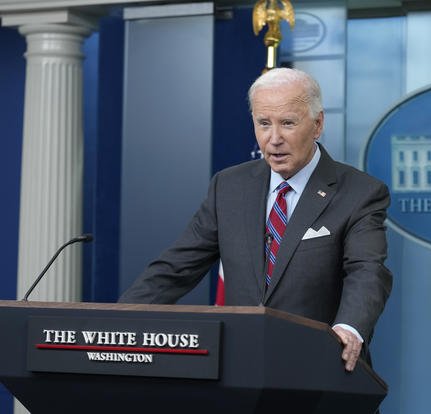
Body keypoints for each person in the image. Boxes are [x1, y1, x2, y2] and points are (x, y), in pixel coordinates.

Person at [119, 67, 392, 372]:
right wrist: (118, 319)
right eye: (264, 124)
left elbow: (367, 272)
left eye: (287, 123)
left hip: (320, 369)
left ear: (317, 125)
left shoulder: (360, 192)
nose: (274, 138)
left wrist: (349, 329)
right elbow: (177, 266)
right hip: (242, 371)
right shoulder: (230, 186)